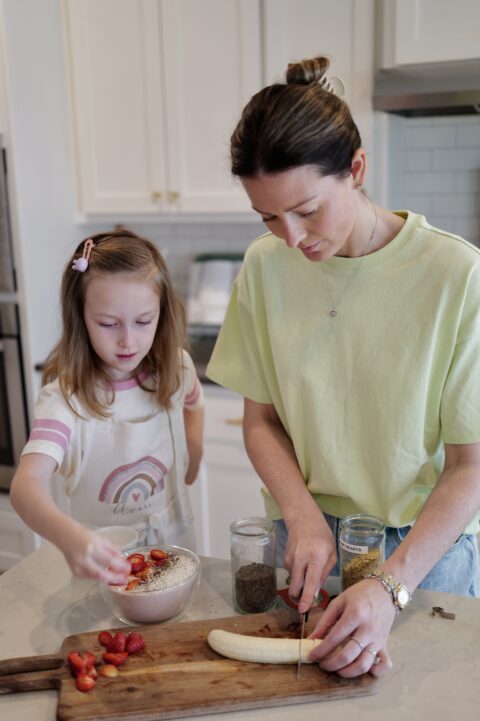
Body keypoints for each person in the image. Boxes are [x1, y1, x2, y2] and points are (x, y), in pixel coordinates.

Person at [206, 56, 480, 678]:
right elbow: (260, 421)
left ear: (355, 168)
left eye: (306, 209)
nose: (292, 237)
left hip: (422, 555)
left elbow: (471, 466)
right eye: (269, 217)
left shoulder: (457, 276)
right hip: (305, 542)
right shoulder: (264, 267)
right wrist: (300, 514)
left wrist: (390, 585)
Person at [10, 229, 204, 585]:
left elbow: (194, 403)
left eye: (144, 321)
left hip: (177, 549)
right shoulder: (66, 399)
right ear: (79, 317)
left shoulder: (177, 369)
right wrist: (71, 539)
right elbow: (26, 485)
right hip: (105, 574)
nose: (128, 340)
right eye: (108, 324)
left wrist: (194, 452)